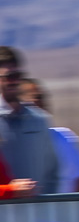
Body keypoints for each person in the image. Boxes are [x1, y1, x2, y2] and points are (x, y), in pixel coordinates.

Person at [0, 46, 57, 194]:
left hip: (37, 212)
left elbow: (52, 171)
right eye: (9, 76)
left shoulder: (39, 119)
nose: (14, 82)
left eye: (18, 75)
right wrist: (11, 191)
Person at [19, 78, 79, 193]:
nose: (38, 102)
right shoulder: (9, 145)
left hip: (65, 209)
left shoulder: (64, 137)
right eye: (30, 100)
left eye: (40, 97)